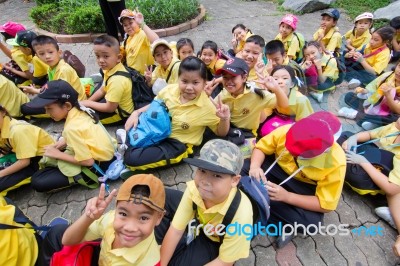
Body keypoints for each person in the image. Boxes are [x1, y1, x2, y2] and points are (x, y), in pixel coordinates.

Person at [242, 111, 346, 248]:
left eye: (299, 155)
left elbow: (325, 205)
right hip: (274, 168)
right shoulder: (288, 130)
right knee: (240, 170)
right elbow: (261, 147)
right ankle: (265, 210)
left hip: (301, 187)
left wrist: (287, 197)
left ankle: (253, 202)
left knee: (312, 224)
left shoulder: (336, 162)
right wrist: (255, 167)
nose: (292, 154)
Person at [124, 56, 230, 171]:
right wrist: (136, 113)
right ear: (178, 78)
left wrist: (225, 119)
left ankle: (127, 156)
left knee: (132, 159)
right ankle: (128, 148)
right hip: (157, 130)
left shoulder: (208, 107)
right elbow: (154, 104)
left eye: (195, 83)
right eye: (184, 81)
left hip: (176, 144)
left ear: (204, 83)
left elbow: (221, 133)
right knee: (130, 131)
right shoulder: (169, 90)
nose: (189, 87)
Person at [157, 139, 253, 266]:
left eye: (217, 175)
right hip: (199, 220)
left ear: (234, 180)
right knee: (156, 197)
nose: (205, 181)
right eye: (202, 170)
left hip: (214, 238)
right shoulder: (196, 190)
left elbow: (225, 262)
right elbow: (176, 230)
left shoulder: (241, 216)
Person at [39, 174, 165, 265]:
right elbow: (67, 240)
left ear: (159, 217)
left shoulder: (150, 262)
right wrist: (88, 217)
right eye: (123, 214)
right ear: (116, 208)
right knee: (57, 232)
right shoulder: (110, 218)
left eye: (143, 218)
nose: (129, 227)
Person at [27, 80, 115, 192]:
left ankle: (81, 178)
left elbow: (89, 162)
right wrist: (64, 141)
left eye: (49, 108)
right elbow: (83, 132)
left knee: (37, 181)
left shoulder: (71, 128)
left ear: (67, 105)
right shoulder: (82, 108)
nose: (47, 113)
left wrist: (58, 154)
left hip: (100, 166)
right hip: (108, 153)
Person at [338, 117, 400, 256]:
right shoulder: (395, 128)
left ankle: (384, 202)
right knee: (346, 135)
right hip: (377, 158)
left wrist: (363, 162)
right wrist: (353, 139)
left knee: (354, 176)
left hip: (385, 179)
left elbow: (392, 189)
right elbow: (371, 134)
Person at [213, 57, 289, 137]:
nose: (229, 81)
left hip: (247, 134)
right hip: (228, 129)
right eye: (225, 77)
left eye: (233, 77)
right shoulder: (224, 93)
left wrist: (276, 89)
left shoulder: (257, 93)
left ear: (244, 78)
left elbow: (284, 105)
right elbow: (213, 110)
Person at [20, 35, 87, 116]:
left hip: (74, 104)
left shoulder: (63, 70)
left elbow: (59, 94)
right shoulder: (51, 67)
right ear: (37, 56)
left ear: (59, 53)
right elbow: (53, 88)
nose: (47, 56)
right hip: (63, 98)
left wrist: (36, 91)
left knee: (25, 108)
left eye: (50, 52)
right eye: (42, 54)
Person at [0, 105, 54, 196]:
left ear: (3, 112)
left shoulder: (17, 130)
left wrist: (1, 173)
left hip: (40, 159)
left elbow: (24, 162)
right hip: (21, 155)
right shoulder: (3, 127)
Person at [80, 35, 133, 126]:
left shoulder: (117, 80)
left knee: (85, 119)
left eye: (106, 56)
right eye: (97, 56)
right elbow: (102, 89)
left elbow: (110, 108)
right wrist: (86, 103)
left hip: (119, 113)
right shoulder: (110, 68)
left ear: (119, 58)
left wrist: (88, 103)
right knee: (84, 109)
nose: (101, 60)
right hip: (112, 100)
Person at [338, 59, 400, 130]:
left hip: (389, 112)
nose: (399, 71)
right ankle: (372, 121)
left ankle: (357, 115)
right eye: (399, 66)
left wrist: (388, 96)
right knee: (349, 96)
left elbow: (397, 111)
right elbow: (372, 90)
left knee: (396, 119)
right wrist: (363, 91)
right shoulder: (388, 75)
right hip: (374, 106)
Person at [258, 65, 313, 137]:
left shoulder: (301, 100)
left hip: (297, 123)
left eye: (284, 78)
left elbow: (305, 124)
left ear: (292, 84)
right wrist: (260, 101)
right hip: (279, 119)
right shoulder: (272, 96)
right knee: (265, 131)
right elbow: (263, 117)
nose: (280, 82)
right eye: (275, 79)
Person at [119, 8, 159, 75]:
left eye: (130, 23)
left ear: (136, 22)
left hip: (144, 78)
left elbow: (156, 40)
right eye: (125, 25)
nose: (128, 26)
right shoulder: (127, 40)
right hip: (132, 76)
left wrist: (142, 24)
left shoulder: (142, 34)